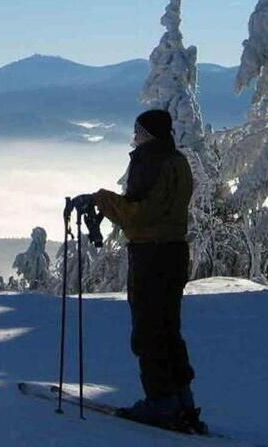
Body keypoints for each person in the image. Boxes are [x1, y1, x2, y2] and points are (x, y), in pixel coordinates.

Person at [71, 109, 204, 433]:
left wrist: (101, 200)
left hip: (151, 255)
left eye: (138, 131)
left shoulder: (152, 161)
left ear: (149, 134)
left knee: (149, 330)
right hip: (174, 252)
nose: (135, 136)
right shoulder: (177, 161)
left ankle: (162, 404)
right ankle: (182, 401)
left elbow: (139, 214)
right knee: (168, 329)